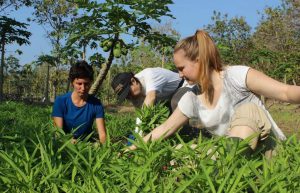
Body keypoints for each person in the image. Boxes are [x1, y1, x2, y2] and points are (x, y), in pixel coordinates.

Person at [127, 30, 300, 156]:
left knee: (248, 109)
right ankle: (228, 171)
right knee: (179, 152)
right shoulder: (191, 97)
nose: (179, 75)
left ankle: (228, 168)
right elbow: (165, 128)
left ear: (200, 60)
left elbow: (285, 92)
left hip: (271, 154)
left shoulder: (237, 76)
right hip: (242, 163)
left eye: (182, 68)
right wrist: (133, 148)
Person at [52, 60, 106, 144]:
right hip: (65, 144)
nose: (83, 88)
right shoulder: (61, 101)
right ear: (72, 83)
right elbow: (58, 134)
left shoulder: (96, 104)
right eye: (79, 84)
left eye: (86, 84)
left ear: (91, 82)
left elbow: (102, 135)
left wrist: (101, 145)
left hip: (87, 146)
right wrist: (70, 142)